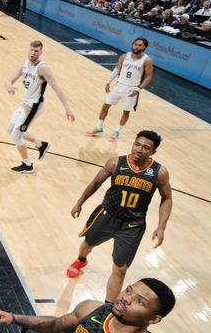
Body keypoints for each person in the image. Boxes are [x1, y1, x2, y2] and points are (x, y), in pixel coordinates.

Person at [66, 130, 172, 303]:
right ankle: (81, 260)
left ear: (153, 152)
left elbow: (166, 198)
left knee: (120, 269)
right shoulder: (116, 163)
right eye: (137, 144)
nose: (139, 149)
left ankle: (107, 307)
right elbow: (95, 183)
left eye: (146, 148)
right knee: (86, 245)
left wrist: (161, 226)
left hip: (132, 224)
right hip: (107, 215)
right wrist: (80, 202)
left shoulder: (159, 173)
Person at [0, 278, 175, 332]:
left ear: (154, 319)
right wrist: (15, 318)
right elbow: (56, 324)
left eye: (140, 302)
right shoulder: (92, 308)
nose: (126, 298)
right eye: (129, 290)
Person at [5, 40, 75, 173]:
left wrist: (67, 107)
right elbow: (10, 79)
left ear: (41, 52)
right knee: (10, 129)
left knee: (16, 134)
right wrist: (9, 85)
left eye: (36, 51)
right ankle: (41, 145)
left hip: (34, 106)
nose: (32, 53)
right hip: (25, 104)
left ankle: (27, 165)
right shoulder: (25, 64)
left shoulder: (43, 68)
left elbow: (56, 88)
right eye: (31, 50)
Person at [86, 38, 153, 142]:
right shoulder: (124, 56)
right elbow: (117, 69)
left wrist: (138, 89)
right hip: (119, 85)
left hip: (132, 88)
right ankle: (98, 128)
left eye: (140, 45)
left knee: (126, 111)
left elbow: (148, 76)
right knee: (105, 106)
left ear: (144, 47)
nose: (137, 46)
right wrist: (108, 82)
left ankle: (116, 132)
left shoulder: (147, 60)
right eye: (135, 44)